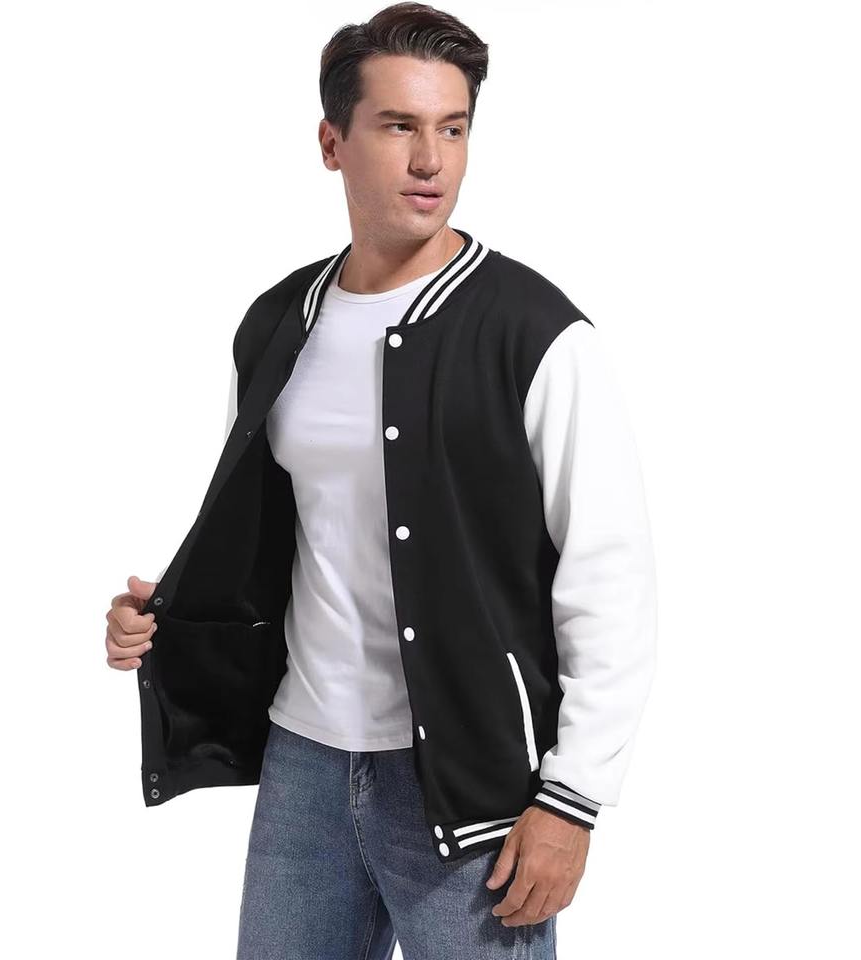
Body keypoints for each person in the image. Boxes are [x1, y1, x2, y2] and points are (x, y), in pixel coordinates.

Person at [104, 4, 657, 958]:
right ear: (333, 143)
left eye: (453, 128)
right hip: (305, 766)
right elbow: (273, 533)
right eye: (399, 126)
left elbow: (611, 579)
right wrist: (164, 620)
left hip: (474, 789)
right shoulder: (278, 323)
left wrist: (573, 799)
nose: (430, 160)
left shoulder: (535, 334)